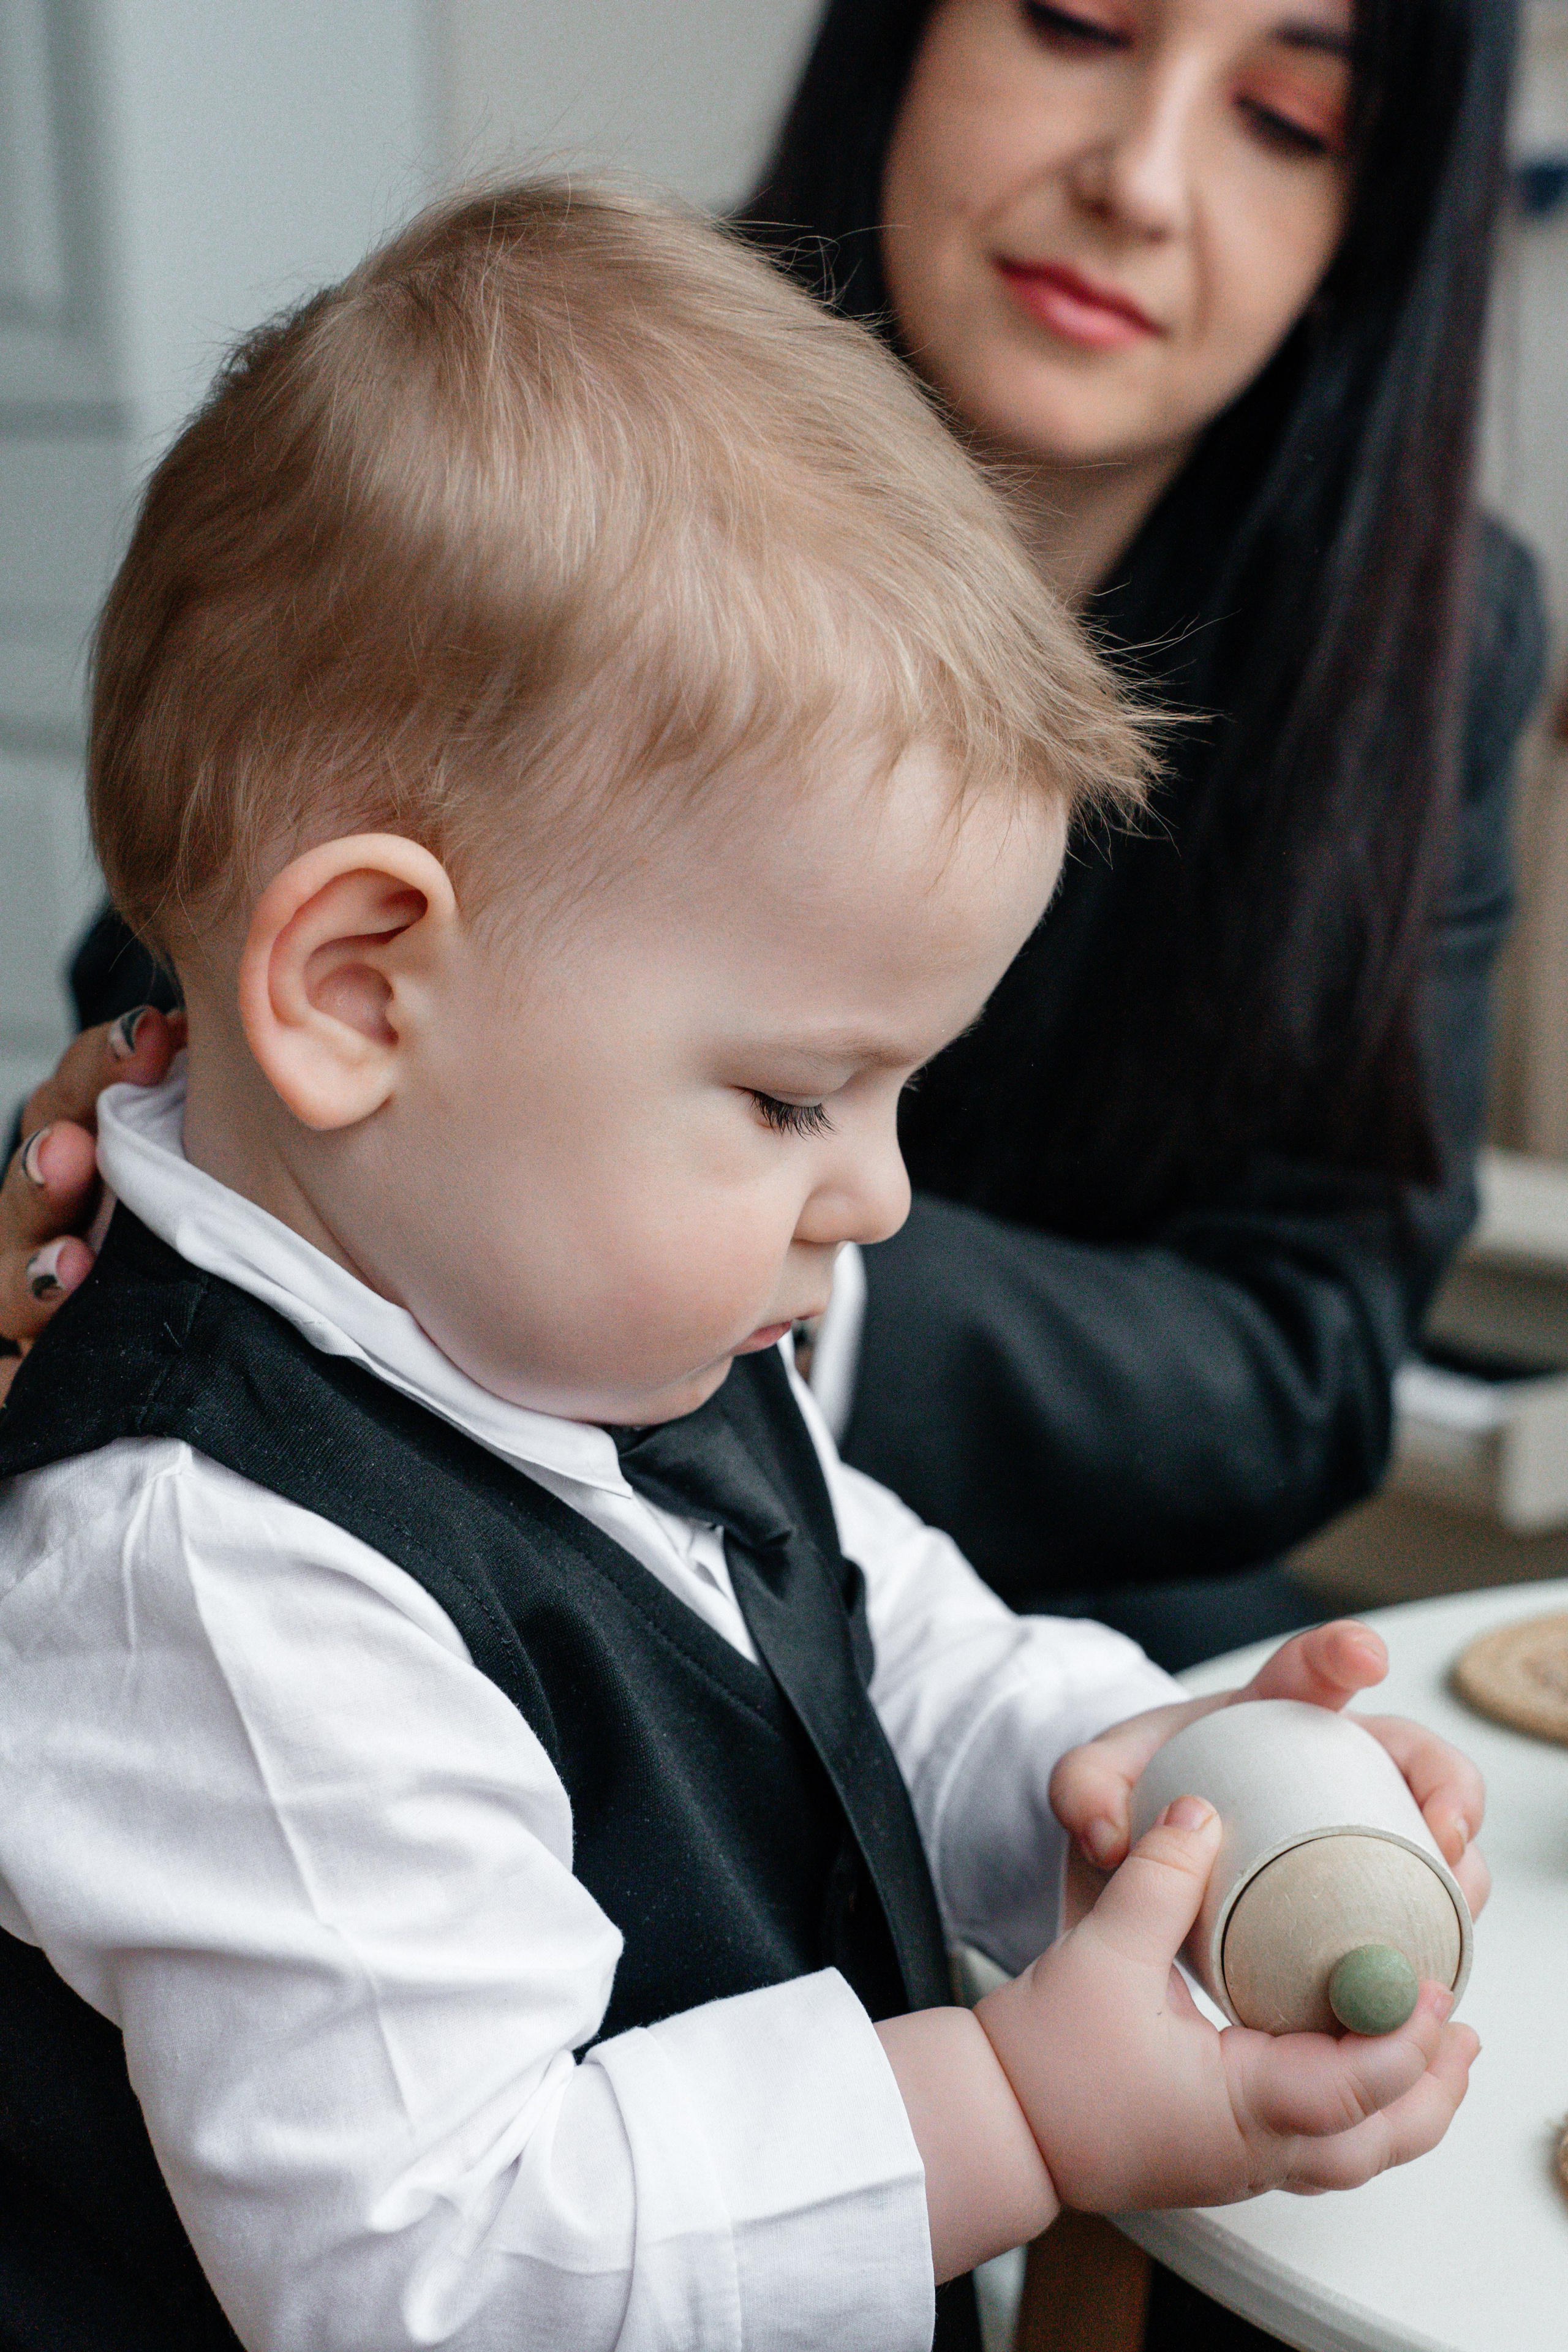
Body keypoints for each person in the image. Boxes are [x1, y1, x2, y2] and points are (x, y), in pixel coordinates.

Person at [0, 184, 1485, 2352]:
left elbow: (872, 1640)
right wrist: (1021, 2105)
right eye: (798, 1099)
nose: (876, 1198)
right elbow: (442, 2263)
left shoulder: (564, 1318)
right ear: (359, 991)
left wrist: (1148, 1774)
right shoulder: (212, 1573)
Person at [0, 3, 1545, 1675]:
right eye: (1078, 21)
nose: (1141, 182)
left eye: (1290, 121)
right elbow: (174, 967)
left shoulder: (1435, 630)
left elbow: (1307, 1345)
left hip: (1033, 1592)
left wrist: (749, 1233)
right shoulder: (547, 424)